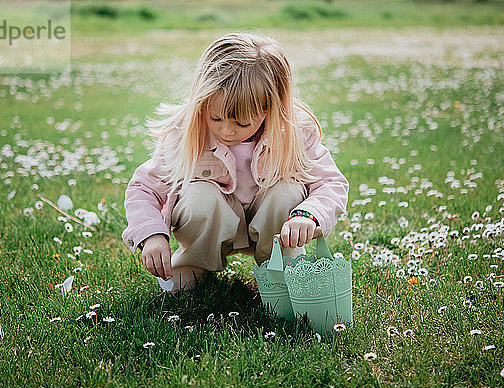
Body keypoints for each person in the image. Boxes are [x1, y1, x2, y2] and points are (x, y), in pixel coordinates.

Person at [122, 32, 348, 292]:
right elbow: (144, 188)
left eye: (241, 122)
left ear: (269, 108)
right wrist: (151, 235)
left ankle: (282, 266)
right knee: (199, 196)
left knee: (285, 192)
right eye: (216, 118)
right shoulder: (186, 133)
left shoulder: (293, 132)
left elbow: (331, 182)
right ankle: (196, 263)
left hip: (273, 229)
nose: (227, 131)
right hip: (212, 224)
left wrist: (309, 217)